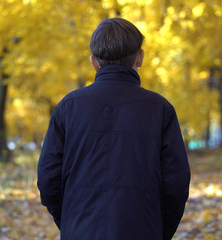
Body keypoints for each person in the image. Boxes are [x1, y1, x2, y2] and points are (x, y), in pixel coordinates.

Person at [37, 18, 190, 240]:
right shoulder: (161, 110)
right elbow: (176, 184)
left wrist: (72, 221)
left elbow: (48, 180)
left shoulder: (68, 108)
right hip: (143, 230)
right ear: (140, 57)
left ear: (93, 62)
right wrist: (158, 230)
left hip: (80, 230)